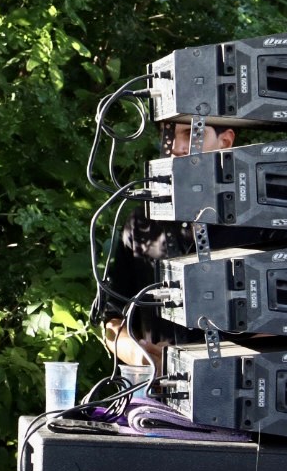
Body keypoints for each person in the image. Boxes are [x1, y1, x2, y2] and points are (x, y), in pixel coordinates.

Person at [101, 121, 237, 371]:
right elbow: (113, 319)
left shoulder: (259, 220)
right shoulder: (142, 222)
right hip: (160, 389)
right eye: (167, 135)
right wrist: (139, 355)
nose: (176, 147)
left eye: (192, 133)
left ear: (225, 142)